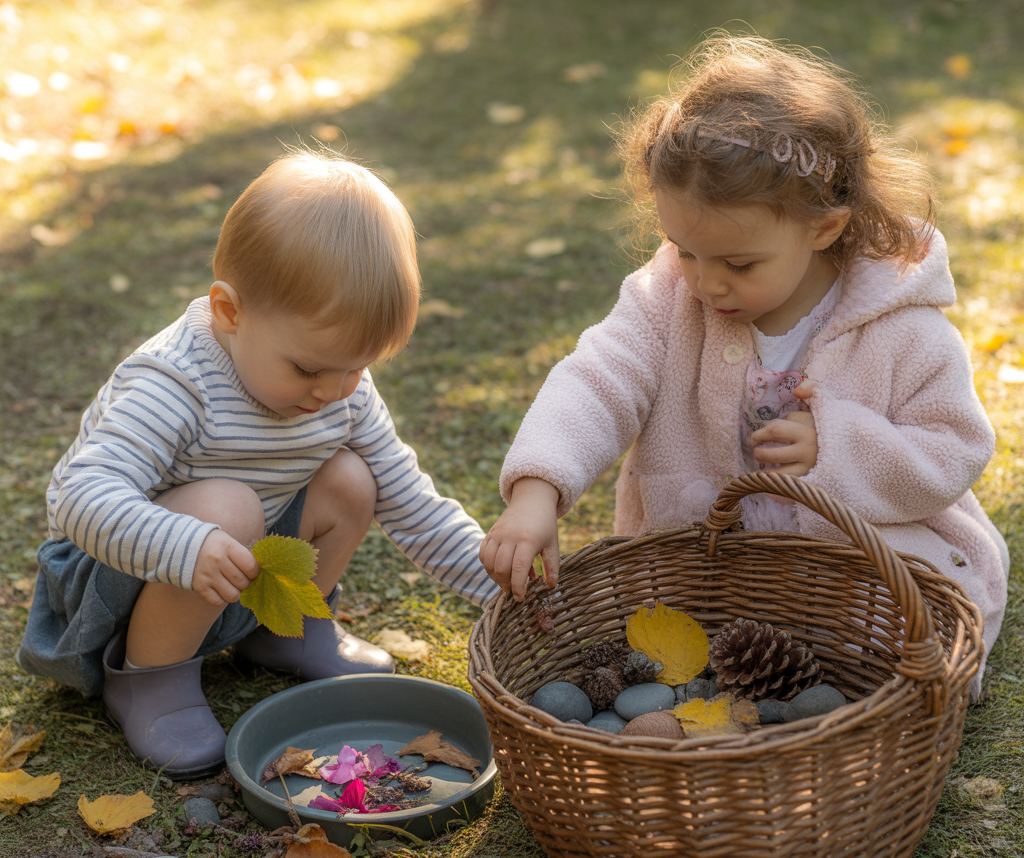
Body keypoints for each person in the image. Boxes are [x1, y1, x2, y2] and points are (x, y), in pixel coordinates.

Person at [480, 36, 1008, 698]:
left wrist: (838, 447)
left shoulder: (905, 329)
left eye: (738, 264)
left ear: (823, 228)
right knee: (669, 663)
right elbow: (597, 379)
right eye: (683, 249)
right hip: (711, 572)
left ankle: (860, 696)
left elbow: (954, 447)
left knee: (906, 653)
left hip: (863, 568)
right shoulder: (666, 298)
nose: (705, 284)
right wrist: (537, 492)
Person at [18, 151, 499, 776]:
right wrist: (183, 544)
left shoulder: (339, 390)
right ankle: (149, 677)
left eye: (358, 366)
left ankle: (283, 631)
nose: (336, 389)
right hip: (119, 582)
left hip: (235, 576)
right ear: (229, 311)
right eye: (309, 368)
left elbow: (409, 499)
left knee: (357, 479)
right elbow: (79, 497)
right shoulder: (175, 381)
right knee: (229, 507)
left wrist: (499, 585)